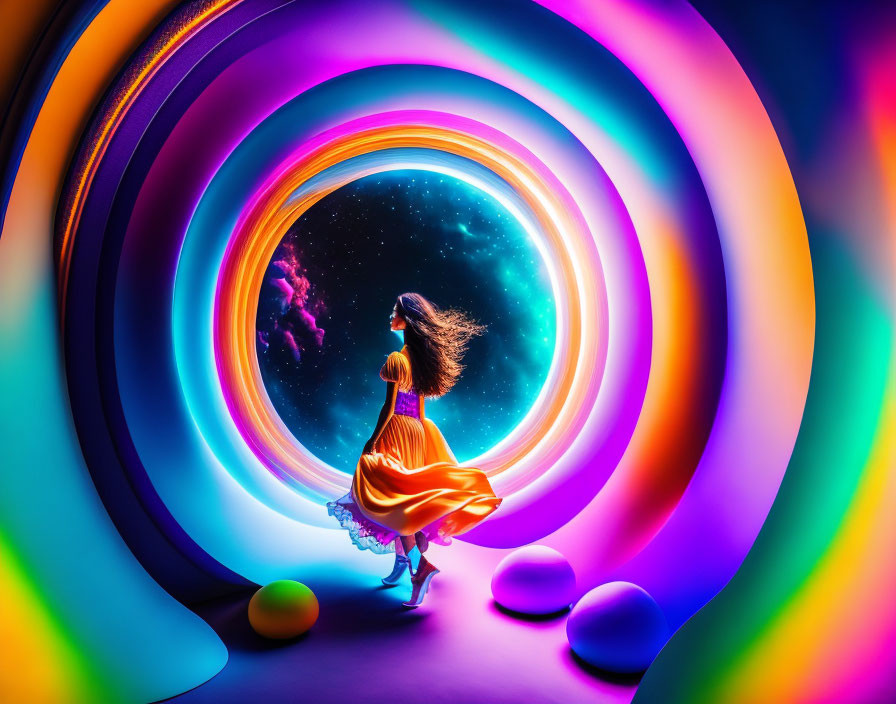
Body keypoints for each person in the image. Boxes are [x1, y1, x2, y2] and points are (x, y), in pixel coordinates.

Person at [327, 292, 502, 608]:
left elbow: (389, 406)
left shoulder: (398, 360)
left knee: (390, 498)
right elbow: (419, 411)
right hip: (418, 431)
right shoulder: (419, 363)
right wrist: (420, 436)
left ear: (406, 319)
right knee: (403, 498)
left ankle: (420, 570)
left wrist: (372, 441)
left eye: (394, 311)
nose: (389, 315)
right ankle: (401, 564)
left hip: (396, 430)